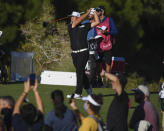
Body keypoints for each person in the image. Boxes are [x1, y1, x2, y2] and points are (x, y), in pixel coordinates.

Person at [67, 9, 100, 99]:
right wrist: (87, 13)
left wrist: (95, 13)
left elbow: (97, 22)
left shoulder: (85, 25)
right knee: (81, 72)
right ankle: (89, 90)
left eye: (73, 17)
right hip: (74, 54)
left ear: (77, 17)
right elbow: (78, 21)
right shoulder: (70, 26)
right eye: (71, 17)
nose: (71, 18)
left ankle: (78, 93)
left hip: (83, 52)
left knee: (79, 71)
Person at [96, 6, 118, 88]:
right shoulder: (96, 19)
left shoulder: (109, 19)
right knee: (98, 63)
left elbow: (115, 31)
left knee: (107, 64)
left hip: (108, 45)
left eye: (98, 11)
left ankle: (106, 82)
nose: (97, 12)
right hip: (98, 45)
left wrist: (107, 32)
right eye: (96, 11)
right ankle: (99, 81)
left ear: (103, 12)